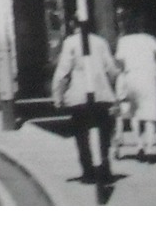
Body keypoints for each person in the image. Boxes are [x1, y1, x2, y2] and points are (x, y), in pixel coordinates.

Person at [51, 15, 119, 184]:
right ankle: (105, 168)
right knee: (104, 135)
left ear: (74, 24)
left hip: (79, 97)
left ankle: (88, 172)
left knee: (82, 136)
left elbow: (63, 71)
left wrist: (57, 96)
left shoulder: (70, 43)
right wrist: (113, 90)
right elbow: (111, 69)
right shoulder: (101, 42)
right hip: (102, 95)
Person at [114, 14, 156, 159]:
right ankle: (150, 147)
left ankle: (139, 145)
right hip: (149, 77)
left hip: (131, 77)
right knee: (150, 114)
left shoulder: (123, 41)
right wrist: (155, 67)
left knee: (135, 113)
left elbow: (119, 61)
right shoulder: (148, 39)